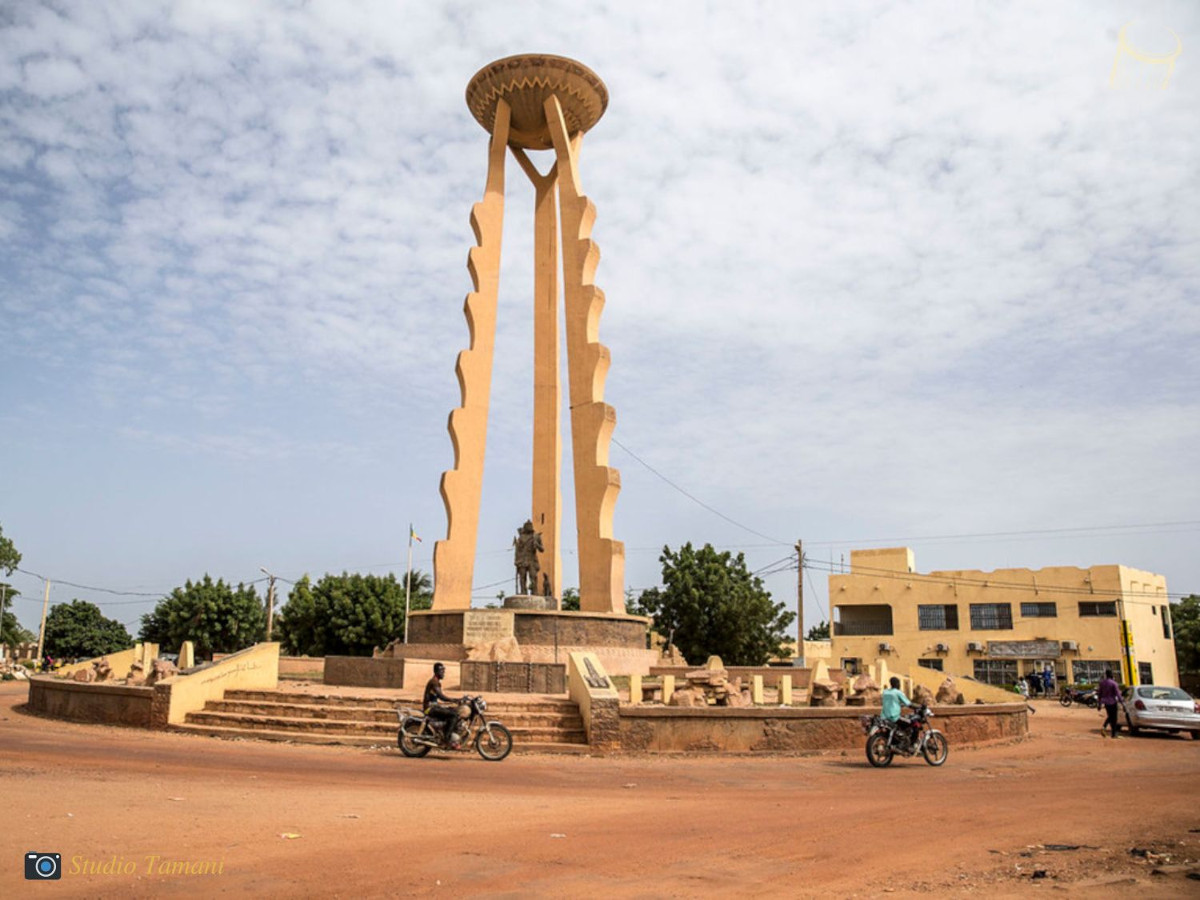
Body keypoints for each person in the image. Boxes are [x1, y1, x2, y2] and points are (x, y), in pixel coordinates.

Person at [423, 662, 463, 747]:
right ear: (436, 671)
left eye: (443, 671)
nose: (443, 673)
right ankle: (446, 739)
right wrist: (454, 700)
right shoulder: (434, 682)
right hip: (430, 708)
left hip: (434, 706)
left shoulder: (436, 681)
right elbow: (441, 696)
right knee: (454, 715)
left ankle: (447, 732)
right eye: (441, 671)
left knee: (453, 711)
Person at [881, 676, 914, 743]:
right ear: (896, 684)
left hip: (884, 717)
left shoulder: (885, 692)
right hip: (894, 717)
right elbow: (909, 704)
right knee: (911, 724)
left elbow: (891, 702)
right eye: (899, 683)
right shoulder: (898, 692)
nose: (900, 685)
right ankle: (906, 742)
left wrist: (899, 705)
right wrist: (920, 706)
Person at [1097, 668, 1123, 738]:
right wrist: (1122, 702)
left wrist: (1099, 704)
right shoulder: (1113, 683)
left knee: (1110, 716)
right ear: (1111, 674)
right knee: (1114, 718)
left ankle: (1106, 728)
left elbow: (1099, 694)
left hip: (1106, 703)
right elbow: (1118, 694)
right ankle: (1113, 733)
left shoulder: (1102, 683)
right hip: (1113, 702)